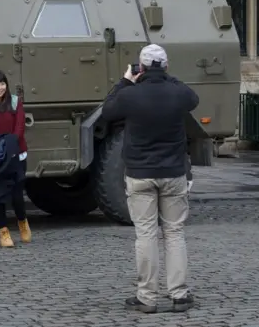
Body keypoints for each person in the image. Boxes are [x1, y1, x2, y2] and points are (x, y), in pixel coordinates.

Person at [101, 44, 199, 314]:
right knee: (175, 234)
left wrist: (125, 81)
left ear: (140, 68)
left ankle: (147, 297)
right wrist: (167, 77)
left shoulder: (131, 95)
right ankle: (179, 294)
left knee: (145, 235)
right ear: (166, 67)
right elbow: (193, 98)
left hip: (140, 174)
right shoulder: (177, 92)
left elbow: (107, 109)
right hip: (173, 173)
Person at [0, 69, 31, 248]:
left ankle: (22, 222)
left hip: (16, 154)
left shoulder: (15, 102)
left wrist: (8, 146)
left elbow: (19, 128)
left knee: (17, 195)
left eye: (2, 84)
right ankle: (3, 232)